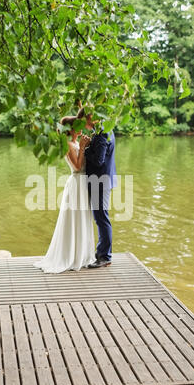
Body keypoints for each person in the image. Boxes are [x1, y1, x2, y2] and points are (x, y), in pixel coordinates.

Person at [33, 114, 95, 273]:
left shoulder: (74, 141)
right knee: (74, 218)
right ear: (71, 129)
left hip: (83, 184)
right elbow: (76, 166)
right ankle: (70, 256)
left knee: (82, 218)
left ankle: (82, 254)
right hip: (76, 183)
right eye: (78, 126)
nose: (81, 129)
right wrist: (82, 148)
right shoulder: (67, 144)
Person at [79, 108, 117, 269]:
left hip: (100, 181)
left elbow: (99, 160)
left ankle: (105, 256)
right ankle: (102, 252)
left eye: (84, 122)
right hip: (103, 180)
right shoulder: (105, 129)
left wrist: (85, 149)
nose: (83, 125)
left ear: (91, 119)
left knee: (101, 218)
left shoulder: (101, 135)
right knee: (101, 218)